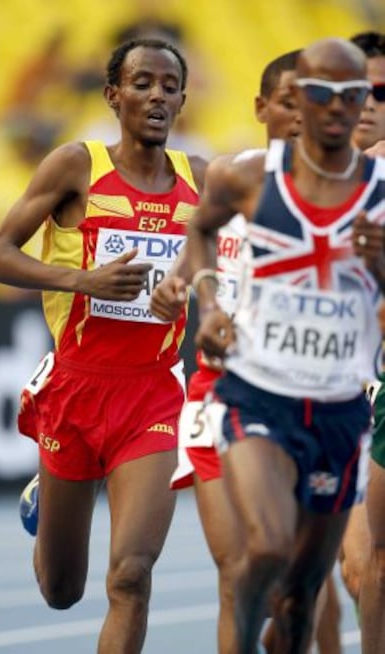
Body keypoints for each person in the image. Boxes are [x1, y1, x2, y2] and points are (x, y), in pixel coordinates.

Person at [0, 37, 206, 654]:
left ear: (183, 100)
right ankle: (45, 491)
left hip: (152, 394)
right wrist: (83, 280)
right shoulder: (75, 167)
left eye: (168, 86)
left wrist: (187, 289)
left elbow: (226, 271)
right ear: (113, 95)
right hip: (76, 388)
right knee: (61, 590)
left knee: (131, 576)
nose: (156, 95)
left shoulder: (202, 183)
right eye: (142, 83)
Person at [184, 37, 385, 654]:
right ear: (297, 97)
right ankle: (241, 629)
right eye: (321, 92)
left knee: (302, 598)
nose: (338, 107)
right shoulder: (244, 175)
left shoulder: (380, 185)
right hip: (256, 393)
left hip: (337, 406)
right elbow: (199, 232)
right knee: (266, 546)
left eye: (356, 95)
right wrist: (209, 302)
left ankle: (280, 625)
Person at [151, 49, 342, 654]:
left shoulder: (343, 193)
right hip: (215, 396)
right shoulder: (231, 177)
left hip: (302, 402)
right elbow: (197, 247)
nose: (298, 116)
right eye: (287, 102)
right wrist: (184, 288)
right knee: (237, 574)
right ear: (262, 107)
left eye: (310, 103)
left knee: (296, 582)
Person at [337, 30, 385, 629]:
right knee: (356, 568)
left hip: (377, 388)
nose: (370, 104)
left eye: (383, 91)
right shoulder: (299, 175)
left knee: (371, 565)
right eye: (358, 91)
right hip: (328, 391)